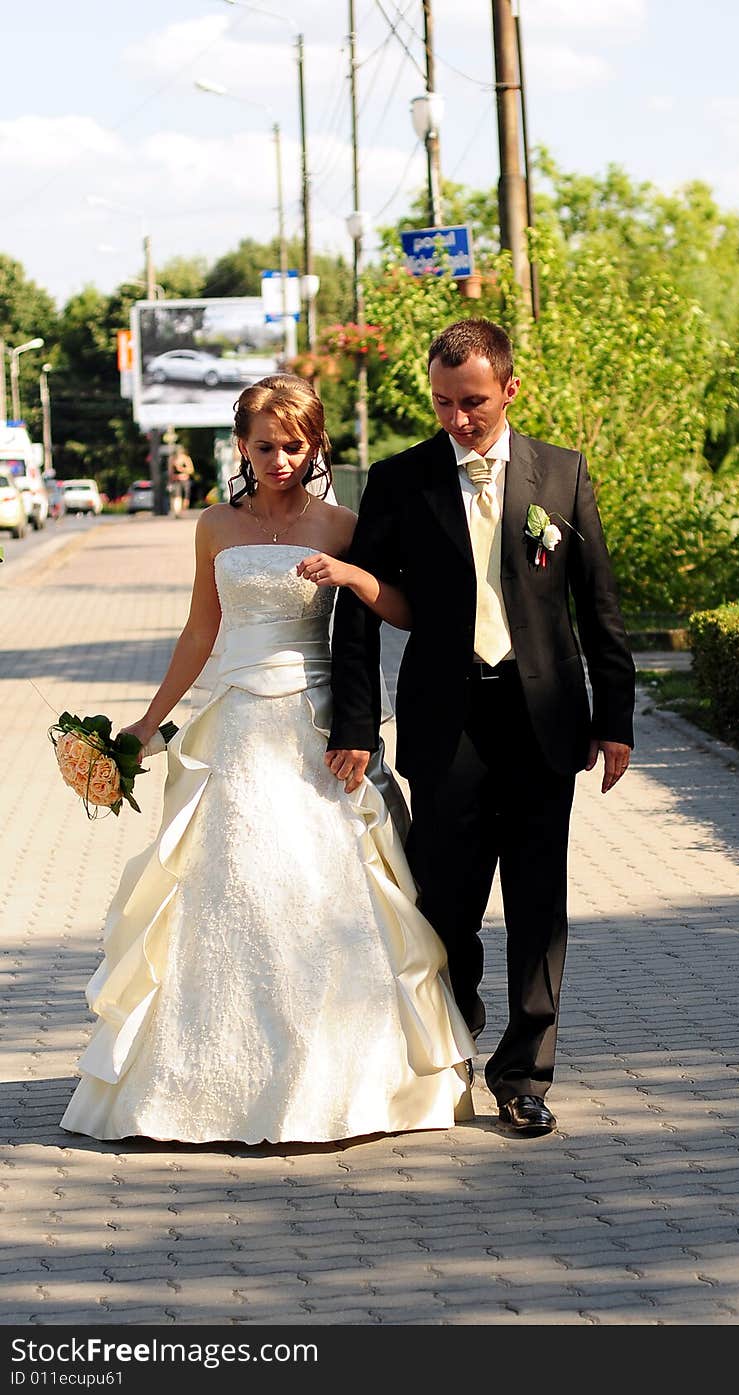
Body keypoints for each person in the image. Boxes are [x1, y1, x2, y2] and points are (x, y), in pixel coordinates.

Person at [61, 374, 474, 1145]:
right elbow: (198, 632)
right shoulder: (215, 525)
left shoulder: (343, 524)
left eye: (294, 445)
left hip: (316, 731)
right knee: (229, 886)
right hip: (235, 728)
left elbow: (405, 609)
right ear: (241, 446)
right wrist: (146, 727)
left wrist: (354, 575)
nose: (280, 458)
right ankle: (204, 1082)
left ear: (315, 444)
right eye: (264, 445)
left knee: (320, 890)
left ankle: (338, 1077)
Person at [328, 319, 635, 1138]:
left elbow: (598, 605)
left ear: (509, 389)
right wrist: (354, 720)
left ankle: (525, 1074)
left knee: (539, 906)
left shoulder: (561, 475)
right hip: (446, 720)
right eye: (442, 402)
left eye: (472, 402)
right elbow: (358, 611)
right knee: (447, 903)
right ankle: (451, 1042)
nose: (457, 418)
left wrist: (617, 720)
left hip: (541, 719)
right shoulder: (400, 481)